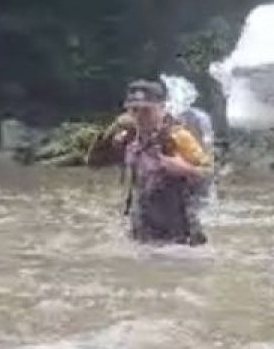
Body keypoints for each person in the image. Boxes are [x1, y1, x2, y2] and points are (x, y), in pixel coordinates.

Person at [89, 80, 212, 245]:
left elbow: (209, 174)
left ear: (161, 108)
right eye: (134, 110)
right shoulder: (128, 138)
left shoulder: (177, 137)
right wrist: (110, 133)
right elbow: (94, 164)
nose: (139, 116)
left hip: (179, 233)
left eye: (146, 110)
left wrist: (185, 169)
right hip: (141, 229)